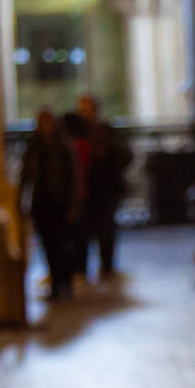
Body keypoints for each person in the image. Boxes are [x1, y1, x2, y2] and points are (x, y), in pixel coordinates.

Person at [18, 107, 80, 301]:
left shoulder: (62, 146)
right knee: (47, 245)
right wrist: (21, 201)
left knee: (61, 243)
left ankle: (66, 283)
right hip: (41, 201)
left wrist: (72, 204)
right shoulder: (34, 146)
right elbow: (26, 175)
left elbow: (72, 177)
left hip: (58, 200)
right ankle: (54, 283)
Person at [73, 93, 131, 282]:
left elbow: (125, 154)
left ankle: (107, 267)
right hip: (83, 190)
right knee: (81, 231)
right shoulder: (74, 133)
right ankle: (80, 268)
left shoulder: (107, 132)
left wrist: (106, 154)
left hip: (105, 189)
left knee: (106, 230)